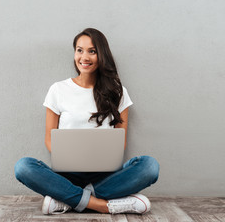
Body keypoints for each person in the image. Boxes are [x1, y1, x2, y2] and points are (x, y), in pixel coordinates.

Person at [14, 28, 159, 215]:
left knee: (149, 166)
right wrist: (69, 156)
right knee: (23, 167)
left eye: (92, 51)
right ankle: (102, 205)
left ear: (102, 55)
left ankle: (67, 200)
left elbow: (120, 141)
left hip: (106, 176)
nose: (84, 57)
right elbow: (49, 138)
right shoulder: (58, 90)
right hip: (66, 176)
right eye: (79, 50)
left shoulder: (118, 91)